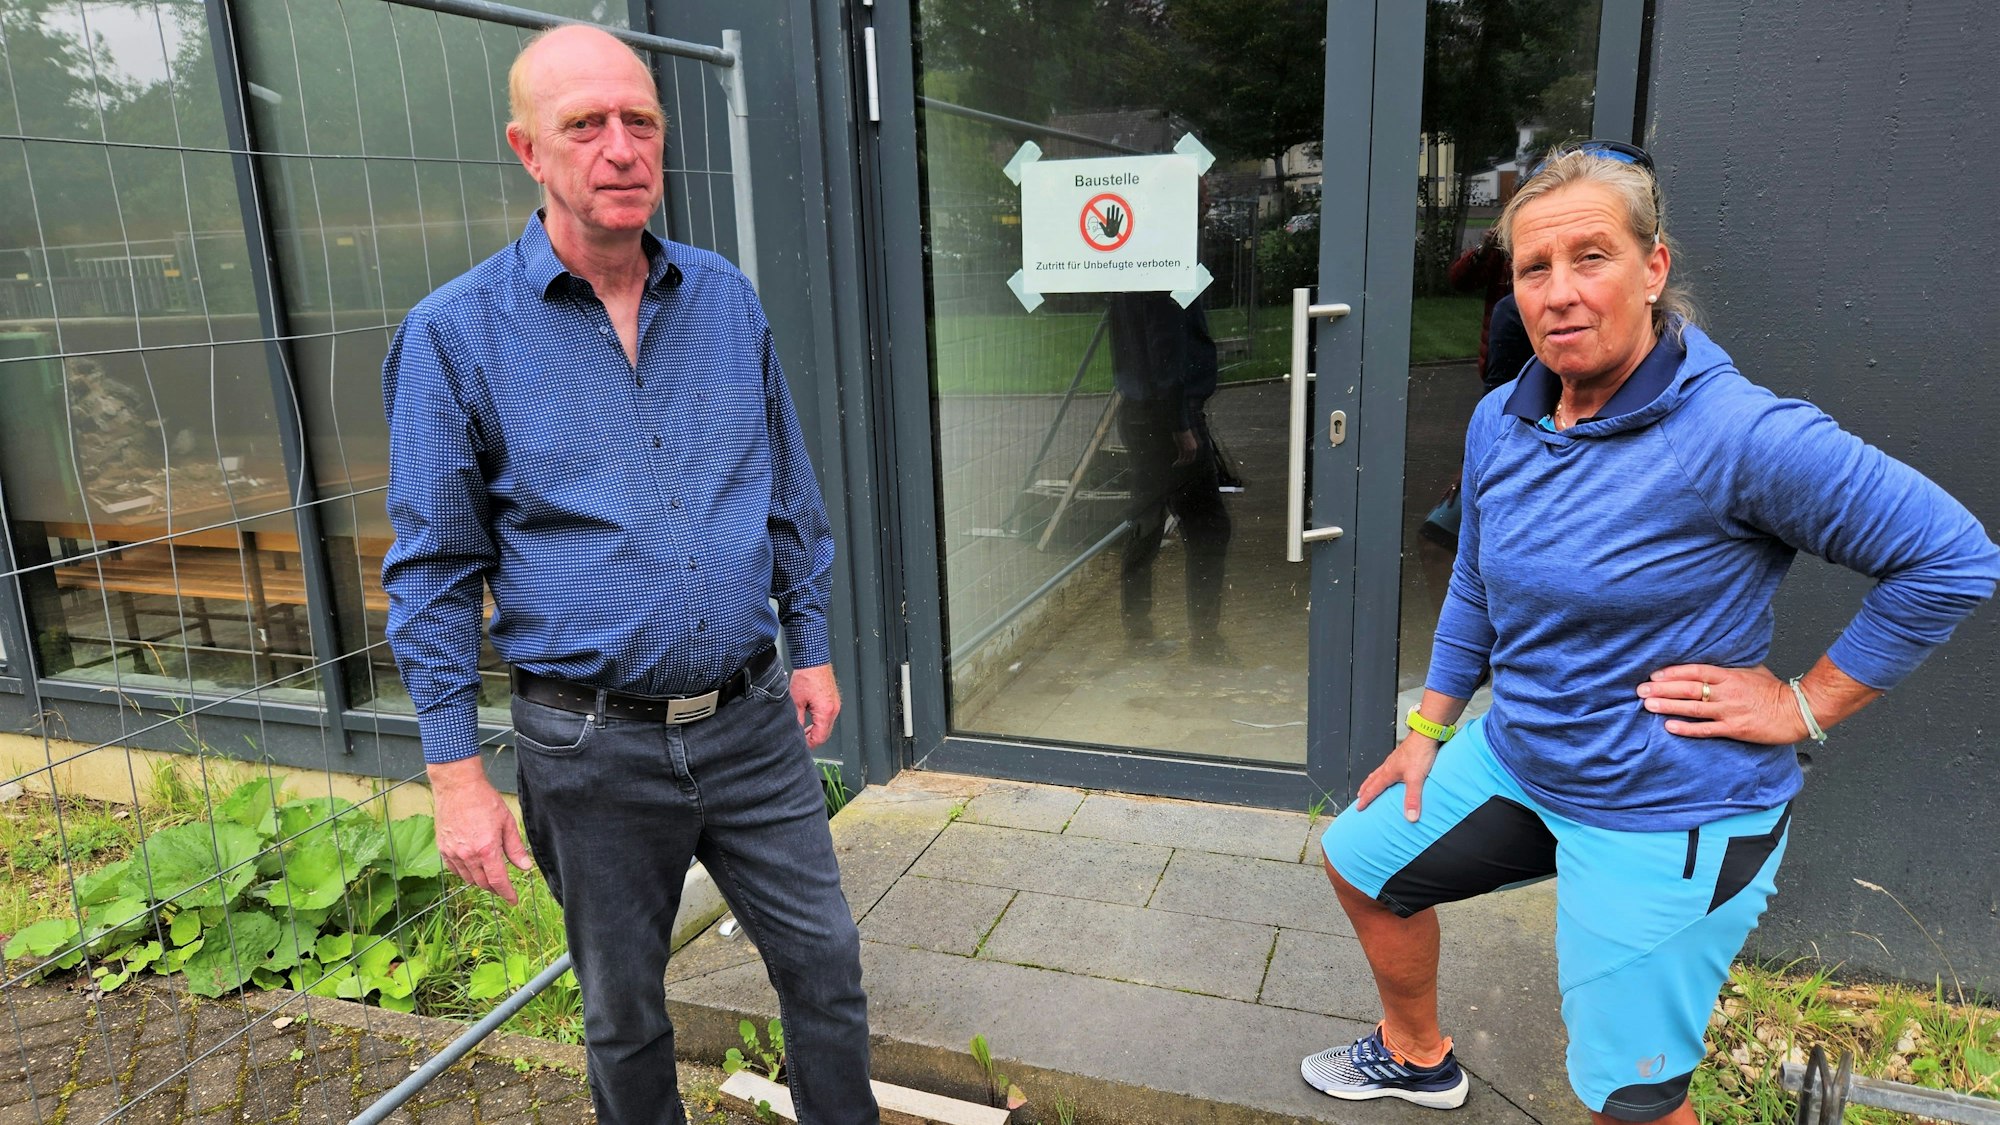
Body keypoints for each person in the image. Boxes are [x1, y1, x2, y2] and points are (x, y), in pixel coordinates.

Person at [1301, 141, 2000, 1122]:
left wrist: (1803, 704)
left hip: (1667, 812)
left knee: (1626, 1100)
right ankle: (1416, 1056)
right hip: (1525, 761)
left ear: (1653, 267)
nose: (1558, 292)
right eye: (1533, 268)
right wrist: (1427, 728)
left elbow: (1950, 559)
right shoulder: (1505, 417)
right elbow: (1475, 579)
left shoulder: (1740, 435)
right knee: (1359, 861)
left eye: (1590, 257)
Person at [380, 26, 877, 1125]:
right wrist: (456, 776)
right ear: (528, 149)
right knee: (623, 1013)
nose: (620, 147)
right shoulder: (453, 336)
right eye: (585, 125)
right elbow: (434, 569)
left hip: (752, 725)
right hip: (591, 749)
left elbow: (786, 488)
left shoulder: (724, 300)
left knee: (825, 965)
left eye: (639, 120)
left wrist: (811, 643)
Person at [1107, 290, 1233, 661]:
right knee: (1207, 527)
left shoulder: (1128, 274)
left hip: (1143, 410)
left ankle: (1139, 632)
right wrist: (1180, 425)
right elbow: (1166, 347)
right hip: (1169, 416)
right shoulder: (1164, 272)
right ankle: (1205, 642)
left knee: (1147, 519)